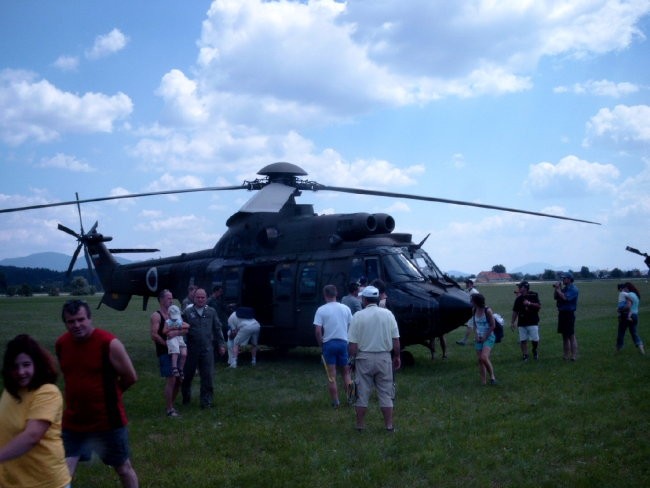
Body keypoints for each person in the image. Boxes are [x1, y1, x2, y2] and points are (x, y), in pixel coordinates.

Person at [55, 299, 138, 488]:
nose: (76, 325)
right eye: (71, 321)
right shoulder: (61, 344)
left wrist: (112, 394)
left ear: (90, 318)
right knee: (61, 472)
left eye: (80, 319)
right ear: (65, 323)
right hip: (74, 422)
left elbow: (130, 376)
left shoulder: (109, 343)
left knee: (123, 468)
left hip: (108, 421)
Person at [0, 334, 72, 488]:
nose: (21, 372)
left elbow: (32, 436)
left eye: (26, 364)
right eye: (15, 366)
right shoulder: (10, 392)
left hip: (46, 483)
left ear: (37, 364)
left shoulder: (47, 392)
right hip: (12, 481)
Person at [348, 286, 401, 432]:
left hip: (363, 358)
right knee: (386, 393)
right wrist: (397, 356)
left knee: (361, 393)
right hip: (384, 358)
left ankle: (360, 425)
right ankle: (389, 426)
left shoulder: (358, 316)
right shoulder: (388, 314)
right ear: (377, 299)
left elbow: (353, 344)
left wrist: (351, 360)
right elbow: (396, 339)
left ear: (364, 300)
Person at [181, 288, 226, 408]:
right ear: (194, 298)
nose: (200, 299)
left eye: (203, 297)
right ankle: (186, 397)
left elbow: (217, 328)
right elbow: (183, 331)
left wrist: (221, 344)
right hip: (191, 349)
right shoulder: (187, 312)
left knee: (207, 376)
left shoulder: (211, 312)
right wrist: (183, 347)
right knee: (187, 375)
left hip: (207, 349)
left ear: (206, 298)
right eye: (198, 297)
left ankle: (206, 401)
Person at [313, 284, 354, 408]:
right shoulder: (345, 308)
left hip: (329, 344)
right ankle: (351, 399)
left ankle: (336, 402)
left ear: (325, 295)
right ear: (336, 294)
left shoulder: (321, 310)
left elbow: (318, 331)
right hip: (343, 343)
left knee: (332, 376)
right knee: (347, 374)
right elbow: (351, 326)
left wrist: (321, 343)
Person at [150, 289, 186, 418]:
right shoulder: (157, 315)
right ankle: (170, 409)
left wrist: (177, 334)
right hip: (165, 352)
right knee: (171, 379)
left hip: (177, 350)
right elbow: (154, 335)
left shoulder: (174, 313)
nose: (171, 300)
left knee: (179, 380)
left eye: (172, 298)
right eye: (168, 298)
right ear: (161, 300)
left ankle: (171, 404)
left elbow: (184, 328)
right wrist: (167, 345)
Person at [470, 293, 497, 385]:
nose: (470, 302)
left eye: (472, 301)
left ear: (476, 302)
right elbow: (474, 325)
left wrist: (485, 336)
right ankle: (483, 381)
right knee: (480, 360)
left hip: (489, 336)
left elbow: (493, 325)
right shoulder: (474, 310)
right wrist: (476, 335)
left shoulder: (488, 311)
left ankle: (492, 376)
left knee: (484, 357)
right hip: (479, 338)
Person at [511, 281, 542, 361]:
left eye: (520, 287)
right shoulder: (518, 299)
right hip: (522, 322)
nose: (518, 288)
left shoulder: (534, 295)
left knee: (535, 339)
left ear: (525, 288)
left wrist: (529, 304)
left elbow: (539, 306)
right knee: (523, 340)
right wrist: (513, 322)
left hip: (532, 321)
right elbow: (515, 311)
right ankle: (525, 354)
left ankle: (534, 350)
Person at [553, 272, 579, 361]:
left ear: (569, 279)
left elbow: (565, 298)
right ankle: (566, 355)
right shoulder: (564, 289)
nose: (563, 280)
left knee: (571, 335)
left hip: (569, 314)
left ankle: (574, 355)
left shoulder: (574, 289)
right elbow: (555, 297)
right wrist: (557, 289)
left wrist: (559, 290)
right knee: (564, 336)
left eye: (564, 278)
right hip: (562, 313)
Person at [616, 282, 645, 354]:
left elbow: (628, 305)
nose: (624, 289)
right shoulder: (636, 295)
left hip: (626, 316)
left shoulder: (628, 295)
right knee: (634, 333)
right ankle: (642, 350)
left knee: (621, 333)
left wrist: (620, 310)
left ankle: (617, 350)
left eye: (625, 288)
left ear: (627, 288)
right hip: (635, 316)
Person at [207, 284, 232, 362]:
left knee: (220, 339)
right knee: (215, 340)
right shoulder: (210, 301)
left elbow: (222, 308)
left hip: (220, 322)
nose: (221, 293)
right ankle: (215, 357)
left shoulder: (218, 300)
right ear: (216, 291)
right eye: (220, 291)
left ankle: (220, 355)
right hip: (214, 323)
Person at [164, 305, 188, 378]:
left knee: (184, 354)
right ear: (169, 315)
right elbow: (164, 331)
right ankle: (174, 368)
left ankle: (181, 368)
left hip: (180, 338)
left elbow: (188, 325)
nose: (174, 319)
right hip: (172, 339)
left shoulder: (179, 320)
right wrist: (171, 328)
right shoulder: (168, 322)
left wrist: (179, 327)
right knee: (176, 351)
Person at [456, 279, 480, 345]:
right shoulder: (469, 291)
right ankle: (477, 338)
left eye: (467, 283)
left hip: (475, 311)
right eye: (466, 283)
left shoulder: (474, 292)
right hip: (474, 311)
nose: (466, 284)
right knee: (476, 326)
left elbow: (478, 302)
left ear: (471, 284)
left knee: (470, 326)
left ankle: (464, 341)